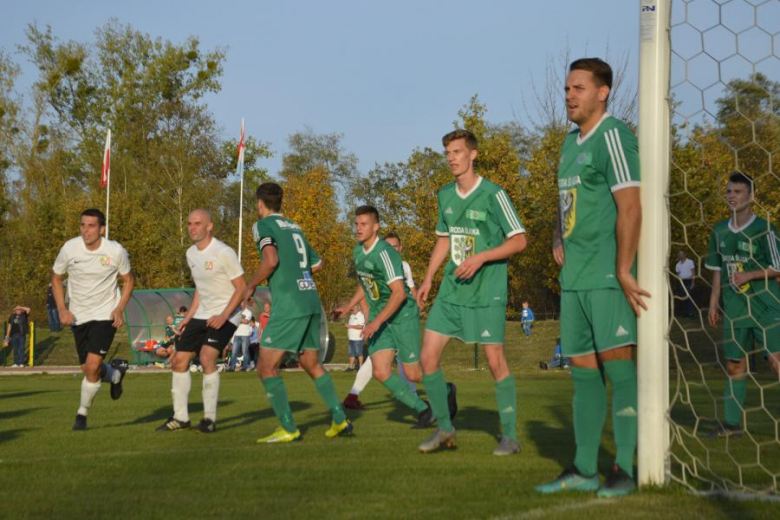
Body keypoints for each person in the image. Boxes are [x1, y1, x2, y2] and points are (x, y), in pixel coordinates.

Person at [536, 58, 646, 498]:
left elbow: (631, 206)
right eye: (567, 88)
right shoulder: (568, 143)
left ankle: (623, 468)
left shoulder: (614, 135)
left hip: (605, 276)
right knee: (582, 374)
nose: (569, 95)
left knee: (619, 372)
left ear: (602, 92)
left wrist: (623, 268)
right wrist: (559, 237)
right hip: (574, 280)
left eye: (578, 88)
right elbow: (568, 205)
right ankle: (583, 468)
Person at [416, 128, 527, 456]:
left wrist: (481, 257)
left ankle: (510, 437)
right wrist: (428, 278)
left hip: (486, 292)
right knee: (427, 357)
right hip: (451, 291)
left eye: (457, 152)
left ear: (473, 154)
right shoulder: (445, 195)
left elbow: (520, 240)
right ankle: (446, 430)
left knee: (495, 362)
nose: (451, 158)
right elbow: (444, 238)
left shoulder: (494, 194)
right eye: (448, 153)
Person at [247, 182, 352, 443]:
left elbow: (271, 260)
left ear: (260, 204)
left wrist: (251, 284)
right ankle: (340, 419)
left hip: (290, 303)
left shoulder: (263, 225)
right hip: (309, 298)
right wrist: (295, 272)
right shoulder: (295, 226)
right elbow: (317, 263)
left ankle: (288, 427)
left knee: (266, 366)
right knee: (310, 362)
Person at [334, 206, 434, 429]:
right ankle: (424, 410)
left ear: (376, 226)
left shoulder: (385, 253)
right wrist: (348, 306)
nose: (359, 229)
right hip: (381, 315)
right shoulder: (358, 251)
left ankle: (446, 390)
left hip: (402, 315)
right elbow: (366, 282)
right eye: (357, 224)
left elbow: (399, 293)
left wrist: (376, 322)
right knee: (380, 370)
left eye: (364, 224)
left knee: (413, 375)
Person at [156, 209, 246, 433]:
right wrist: (187, 318)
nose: (192, 228)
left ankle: (209, 419)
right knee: (178, 361)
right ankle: (181, 417)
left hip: (227, 313)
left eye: (197, 223)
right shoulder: (190, 254)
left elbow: (242, 288)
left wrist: (224, 316)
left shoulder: (224, 252)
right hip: (201, 314)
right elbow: (200, 288)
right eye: (189, 224)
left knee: (207, 358)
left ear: (209, 226)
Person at [705, 172, 780, 438]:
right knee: (735, 365)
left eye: (737, 191)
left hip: (766, 306)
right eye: (728, 191)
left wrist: (749, 274)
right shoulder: (719, 230)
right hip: (735, 309)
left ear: (751, 196)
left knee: (776, 361)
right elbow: (717, 270)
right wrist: (713, 305)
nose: (732, 196)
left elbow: (778, 268)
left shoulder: (765, 229)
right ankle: (732, 424)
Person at [51, 208, 134, 430]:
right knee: (88, 370)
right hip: (78, 315)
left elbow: (128, 280)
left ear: (102, 229)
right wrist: (62, 309)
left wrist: (119, 309)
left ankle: (82, 414)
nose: (86, 230)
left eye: (91, 226)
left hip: (105, 315)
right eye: (83, 225)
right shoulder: (70, 248)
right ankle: (116, 374)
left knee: (93, 364)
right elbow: (57, 278)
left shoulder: (115, 251)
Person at [342, 232, 420, 409]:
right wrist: (366, 312)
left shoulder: (402, 265)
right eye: (388, 246)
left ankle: (353, 395)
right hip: (385, 318)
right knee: (381, 361)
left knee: (393, 364)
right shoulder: (383, 262)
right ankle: (416, 398)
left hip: (399, 317)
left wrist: (414, 310)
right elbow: (364, 287)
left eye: (395, 246)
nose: (391, 250)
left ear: (400, 248)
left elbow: (409, 290)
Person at [229, 306, 253, 371]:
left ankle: (245, 367)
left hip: (245, 334)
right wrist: (240, 319)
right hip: (236, 334)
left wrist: (238, 319)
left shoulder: (248, 312)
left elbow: (246, 321)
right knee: (234, 352)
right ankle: (232, 367)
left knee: (245, 351)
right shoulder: (236, 312)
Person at [675, 250, 696, 318]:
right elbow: (677, 274)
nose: (680, 256)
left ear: (685, 255)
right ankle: (686, 313)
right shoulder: (678, 264)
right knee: (683, 297)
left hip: (688, 281)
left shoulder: (690, 262)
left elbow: (693, 272)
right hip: (682, 282)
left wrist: (693, 282)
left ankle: (692, 313)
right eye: (679, 254)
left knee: (689, 296)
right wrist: (679, 282)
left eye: (681, 254)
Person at [345, 306, 365, 371]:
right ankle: (351, 367)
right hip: (351, 338)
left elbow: (361, 326)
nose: (351, 311)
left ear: (357, 308)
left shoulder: (361, 316)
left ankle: (361, 367)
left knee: (359, 353)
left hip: (358, 338)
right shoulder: (352, 316)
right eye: (351, 310)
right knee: (351, 353)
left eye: (352, 310)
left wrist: (350, 326)